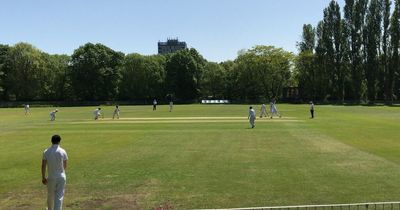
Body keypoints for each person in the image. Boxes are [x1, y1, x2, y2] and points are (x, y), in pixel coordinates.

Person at [41, 134, 68, 210]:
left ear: (51, 141)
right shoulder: (63, 151)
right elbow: (65, 165)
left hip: (51, 177)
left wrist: (43, 177)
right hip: (61, 176)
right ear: (59, 141)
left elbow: (43, 165)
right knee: (59, 196)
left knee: (50, 194)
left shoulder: (46, 151)